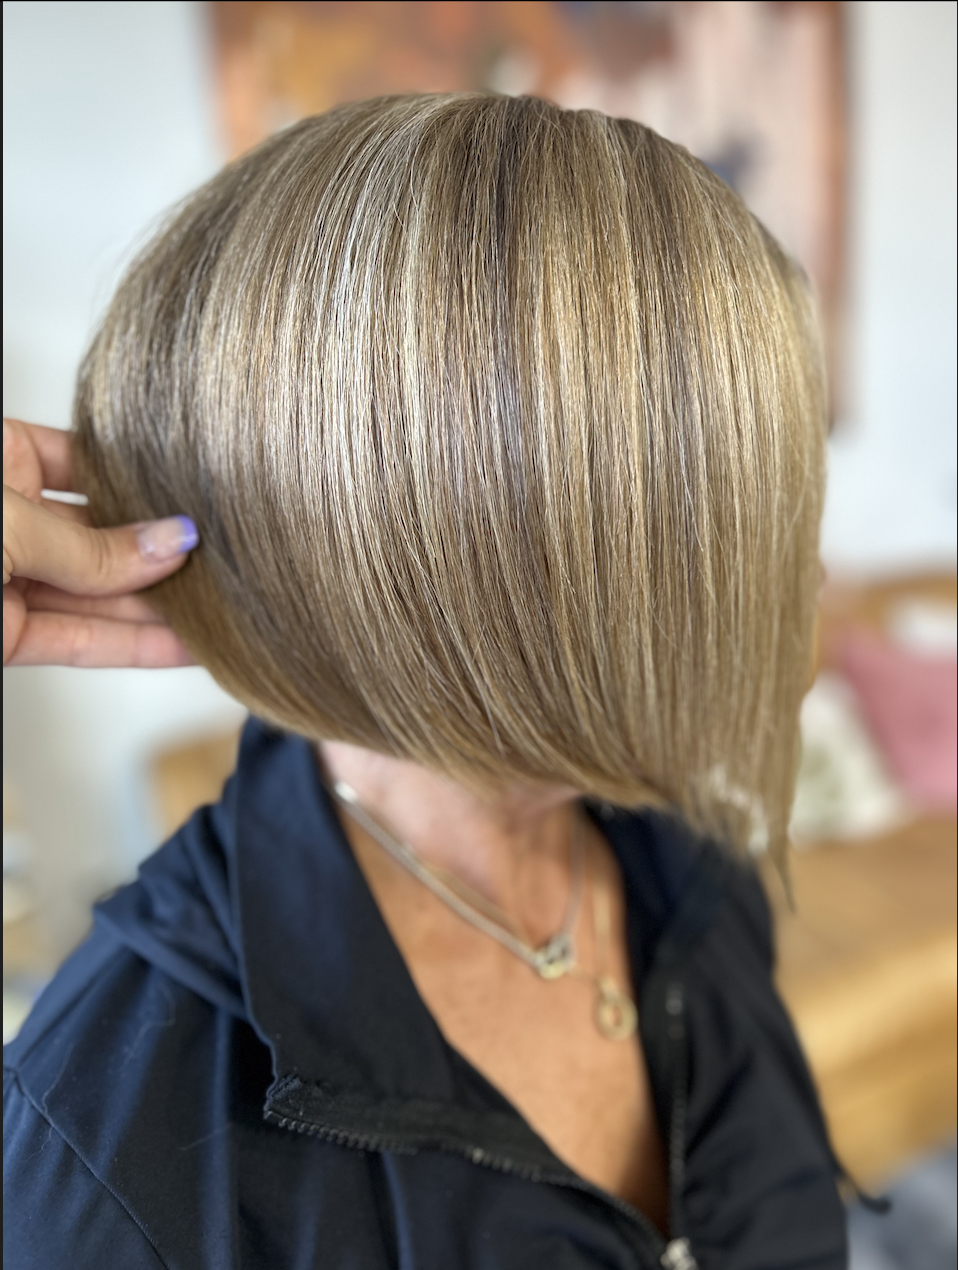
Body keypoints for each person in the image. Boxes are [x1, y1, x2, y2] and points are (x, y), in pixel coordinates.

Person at [3, 94, 848, 1268]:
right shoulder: (110, 1168)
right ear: (495, 587)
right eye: (731, 522)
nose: (807, 577)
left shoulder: (686, 859)